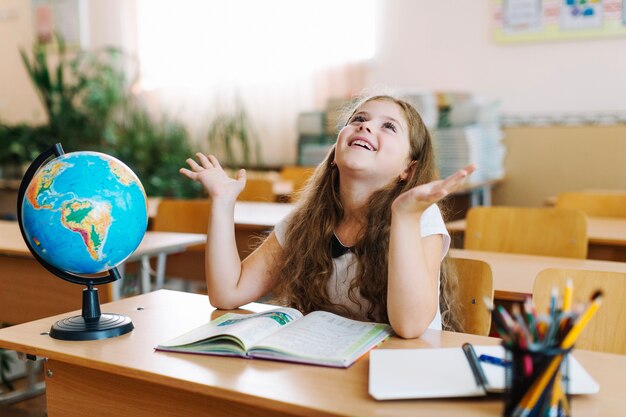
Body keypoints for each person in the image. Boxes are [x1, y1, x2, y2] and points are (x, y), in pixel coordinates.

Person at [180, 95, 475, 338]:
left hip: (401, 374)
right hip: (331, 372)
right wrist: (222, 201)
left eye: (389, 126)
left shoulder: (419, 216)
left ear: (407, 170)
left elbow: (409, 327)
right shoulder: (306, 220)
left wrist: (404, 217)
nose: (366, 127)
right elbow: (227, 293)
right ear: (334, 154)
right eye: (358, 120)